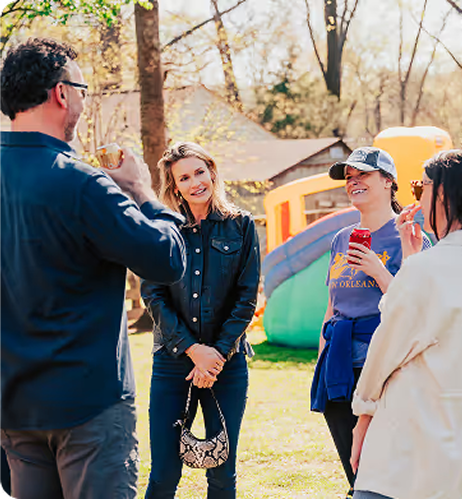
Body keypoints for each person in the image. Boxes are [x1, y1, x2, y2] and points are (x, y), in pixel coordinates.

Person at [0, 38, 186, 499]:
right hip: (88, 407)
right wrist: (142, 192)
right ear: (61, 93)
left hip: (12, 408)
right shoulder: (83, 184)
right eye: (82, 89)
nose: (83, 101)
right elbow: (167, 259)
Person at [141, 142, 260, 499]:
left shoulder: (242, 226)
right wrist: (194, 350)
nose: (195, 183)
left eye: (199, 172)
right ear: (174, 186)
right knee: (163, 474)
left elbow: (246, 297)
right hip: (172, 363)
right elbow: (154, 295)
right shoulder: (163, 230)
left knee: (222, 473)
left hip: (227, 365)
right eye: (184, 178)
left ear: (211, 171)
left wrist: (216, 355)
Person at [310, 146, 430, 498]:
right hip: (337, 361)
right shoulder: (340, 239)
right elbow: (332, 307)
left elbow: (418, 310)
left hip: (384, 365)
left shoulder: (412, 237)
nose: (353, 182)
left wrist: (378, 271)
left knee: (384, 469)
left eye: (362, 174)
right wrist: (321, 358)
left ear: (388, 181)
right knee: (353, 464)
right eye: (349, 177)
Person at [351, 150, 462, 499]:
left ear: (442, 194)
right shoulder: (426, 266)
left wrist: (364, 414)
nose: (418, 197)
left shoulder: (427, 269)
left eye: (421, 187)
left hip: (413, 443)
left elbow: (387, 347)